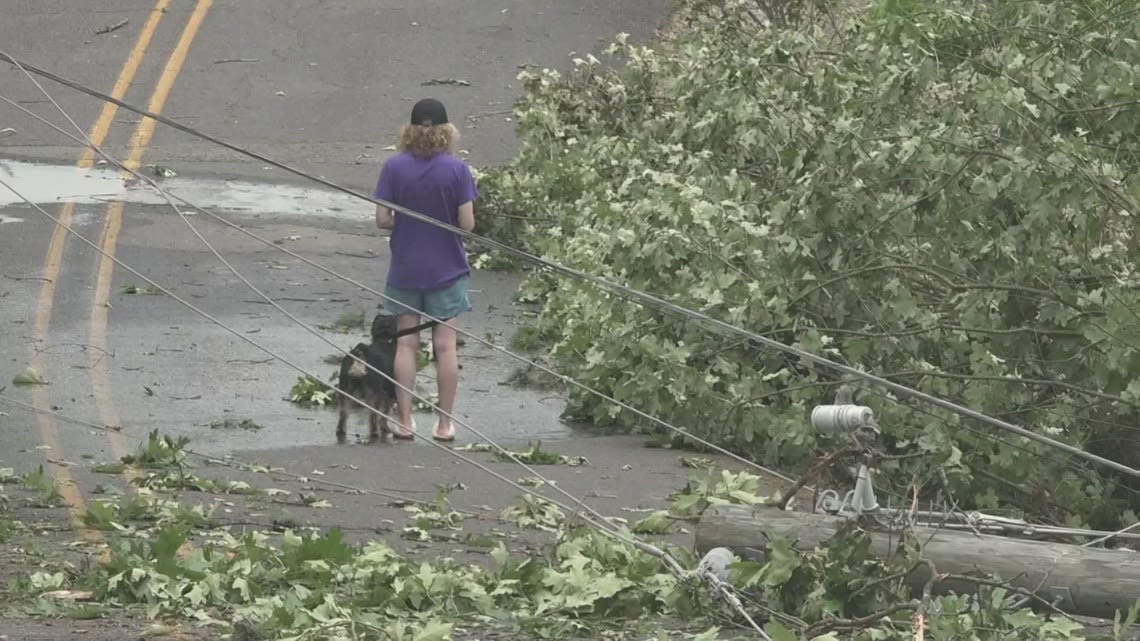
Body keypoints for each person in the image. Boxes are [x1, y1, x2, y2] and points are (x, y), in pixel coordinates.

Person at [373, 98, 477, 442]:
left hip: (405, 268)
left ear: (411, 130)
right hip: (446, 269)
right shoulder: (458, 170)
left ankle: (404, 422)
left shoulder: (394, 167)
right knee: (445, 347)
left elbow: (382, 220)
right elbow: (467, 223)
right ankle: (444, 424)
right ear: (447, 131)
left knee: (406, 345)